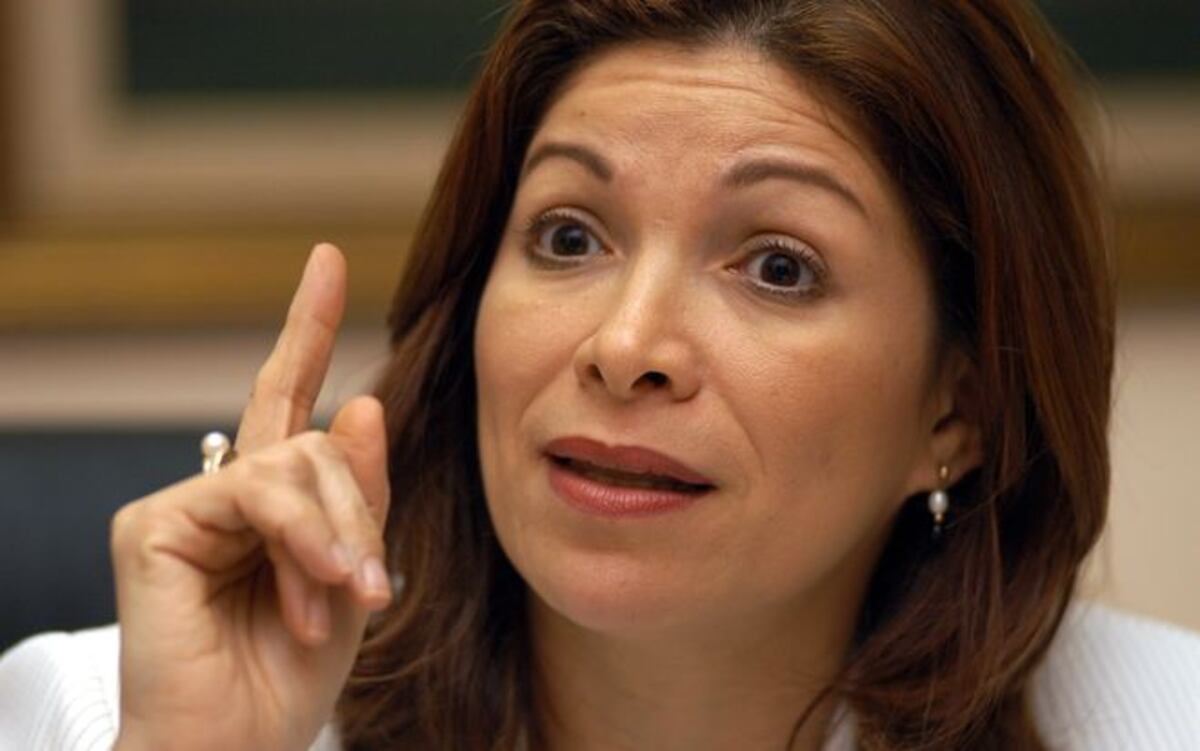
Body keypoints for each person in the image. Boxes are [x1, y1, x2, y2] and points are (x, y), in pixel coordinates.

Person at [2, 1, 1199, 749]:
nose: (625, 347)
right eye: (570, 236)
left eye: (777, 267)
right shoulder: (99, 714)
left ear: (960, 409)